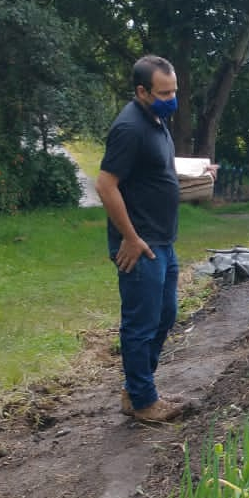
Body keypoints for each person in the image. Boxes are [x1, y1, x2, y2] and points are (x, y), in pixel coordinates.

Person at [97, 54, 211, 423]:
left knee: (164, 315)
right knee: (141, 323)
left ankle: (139, 389)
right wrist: (130, 238)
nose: (172, 98)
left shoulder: (155, 120)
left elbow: (155, 166)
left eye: (174, 90)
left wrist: (196, 169)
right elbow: (106, 185)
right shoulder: (129, 127)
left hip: (162, 239)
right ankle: (143, 400)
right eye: (164, 92)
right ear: (142, 91)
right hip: (141, 243)